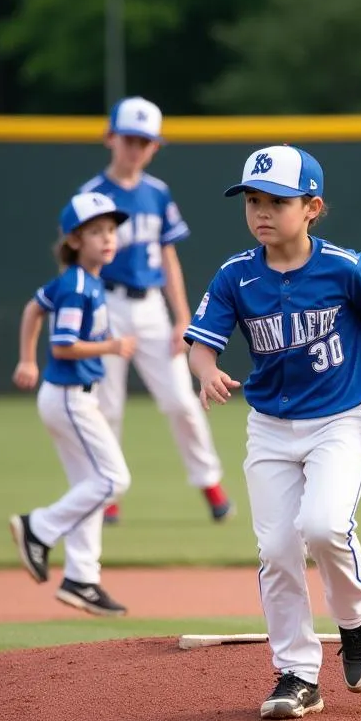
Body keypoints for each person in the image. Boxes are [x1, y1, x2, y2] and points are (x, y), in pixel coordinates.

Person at [185, 145, 361, 719]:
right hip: (269, 427)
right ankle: (296, 674)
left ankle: (358, 618)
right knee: (277, 549)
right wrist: (207, 371)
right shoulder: (236, 275)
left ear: (312, 207)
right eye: (253, 201)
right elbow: (199, 345)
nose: (262, 212)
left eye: (277, 202)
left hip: (339, 419)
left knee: (324, 525)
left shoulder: (342, 266)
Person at [77, 96, 232, 525]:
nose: (136, 148)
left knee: (182, 399)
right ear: (111, 138)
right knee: (105, 405)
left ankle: (212, 487)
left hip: (150, 309)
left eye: (145, 141)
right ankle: (107, 493)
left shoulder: (157, 193)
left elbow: (168, 259)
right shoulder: (92, 196)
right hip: (104, 305)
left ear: (155, 147)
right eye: (129, 139)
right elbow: (74, 260)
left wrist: (183, 317)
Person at [9, 191, 136, 617]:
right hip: (69, 399)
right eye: (96, 231)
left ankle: (82, 577)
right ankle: (38, 528)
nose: (107, 238)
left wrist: (27, 358)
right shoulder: (79, 286)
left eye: (111, 230)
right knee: (113, 480)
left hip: (69, 398)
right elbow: (63, 347)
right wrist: (113, 345)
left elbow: (32, 308)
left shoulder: (79, 281)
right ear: (75, 239)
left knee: (92, 487)